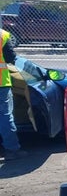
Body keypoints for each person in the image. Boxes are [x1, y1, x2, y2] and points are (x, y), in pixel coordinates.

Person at [1, 29, 27, 160]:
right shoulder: (2, 35)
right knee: (5, 116)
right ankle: (12, 149)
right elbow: (11, 58)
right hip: (1, 84)